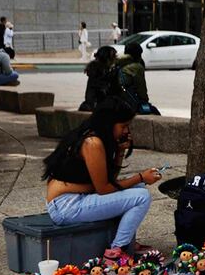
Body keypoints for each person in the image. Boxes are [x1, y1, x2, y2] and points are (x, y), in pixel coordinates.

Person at [42, 96, 161, 264]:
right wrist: (140, 176)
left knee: (138, 187)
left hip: (77, 199)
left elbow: (108, 181)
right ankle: (116, 252)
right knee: (142, 196)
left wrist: (119, 152)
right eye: (123, 126)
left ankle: (127, 243)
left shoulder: (95, 137)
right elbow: (104, 189)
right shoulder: (92, 142)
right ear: (109, 123)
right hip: (66, 206)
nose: (127, 131)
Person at [115, 41, 160, 115]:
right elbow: (141, 88)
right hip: (128, 103)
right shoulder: (137, 67)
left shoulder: (118, 64)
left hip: (115, 101)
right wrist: (145, 101)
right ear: (138, 55)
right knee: (154, 112)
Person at [79, 46, 118, 112]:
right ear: (107, 59)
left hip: (92, 105)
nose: (116, 59)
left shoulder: (96, 69)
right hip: (96, 107)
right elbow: (105, 91)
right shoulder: (101, 72)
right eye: (114, 56)